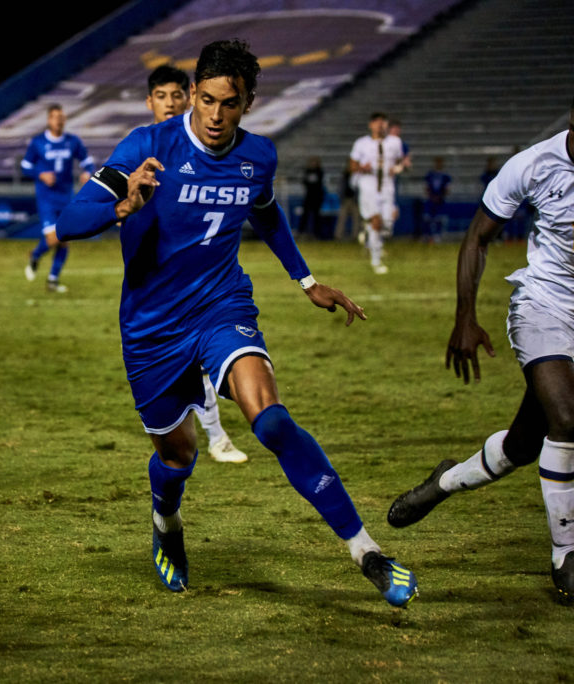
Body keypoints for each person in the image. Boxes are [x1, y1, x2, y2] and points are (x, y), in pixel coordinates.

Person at [56, 40, 417, 606]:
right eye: (206, 101)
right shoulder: (148, 145)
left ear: (248, 102)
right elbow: (68, 220)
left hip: (222, 306)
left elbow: (267, 213)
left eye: (230, 104)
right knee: (178, 455)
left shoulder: (258, 156)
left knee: (270, 421)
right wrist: (121, 207)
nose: (216, 116)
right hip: (151, 325)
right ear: (193, 95)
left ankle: (366, 550)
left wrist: (306, 280)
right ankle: (167, 524)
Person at [388, 99, 574, 605]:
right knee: (567, 418)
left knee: (524, 443)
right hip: (545, 306)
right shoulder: (533, 165)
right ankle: (567, 553)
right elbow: (478, 236)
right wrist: (464, 317)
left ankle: (444, 481)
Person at [145, 64, 248, 464]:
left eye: (175, 95)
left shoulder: (204, 147)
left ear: (187, 97)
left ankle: (218, 438)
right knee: (164, 374)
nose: (169, 104)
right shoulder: (139, 149)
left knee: (201, 362)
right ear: (149, 101)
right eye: (160, 96)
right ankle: (174, 431)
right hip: (153, 284)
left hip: (204, 281)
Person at [21, 104, 94, 292]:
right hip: (47, 197)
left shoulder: (73, 141)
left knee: (65, 238)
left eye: (61, 117)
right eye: (55, 117)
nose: (59, 120)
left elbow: (87, 162)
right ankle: (35, 255)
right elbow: (25, 166)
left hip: (66, 195)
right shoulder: (38, 142)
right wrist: (41, 174)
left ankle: (52, 280)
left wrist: (87, 173)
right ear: (48, 120)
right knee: (53, 239)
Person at [350, 112, 404, 274]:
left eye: (383, 122)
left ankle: (367, 230)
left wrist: (398, 168)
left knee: (387, 224)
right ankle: (376, 262)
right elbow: (352, 166)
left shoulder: (395, 142)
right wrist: (361, 168)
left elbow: (401, 162)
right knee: (377, 221)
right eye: (377, 122)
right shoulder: (361, 143)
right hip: (368, 184)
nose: (380, 125)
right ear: (371, 125)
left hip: (387, 185)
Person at [422, 157, 452, 242]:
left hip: (441, 200)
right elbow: (426, 187)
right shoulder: (430, 175)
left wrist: (441, 197)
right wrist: (431, 196)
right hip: (431, 200)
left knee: (439, 218)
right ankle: (428, 235)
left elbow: (447, 189)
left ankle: (438, 235)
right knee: (428, 218)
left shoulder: (445, 176)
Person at [333, 162, 361, 241]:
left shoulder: (358, 175)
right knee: (342, 218)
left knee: (356, 219)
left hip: (355, 200)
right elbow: (340, 188)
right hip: (346, 200)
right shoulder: (345, 176)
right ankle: (338, 235)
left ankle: (355, 236)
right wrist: (341, 198)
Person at [299, 156, 325, 238]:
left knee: (316, 216)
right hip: (308, 197)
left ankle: (316, 233)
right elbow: (304, 182)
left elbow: (318, 183)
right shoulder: (307, 171)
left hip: (317, 197)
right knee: (305, 215)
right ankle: (302, 232)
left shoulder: (320, 171)